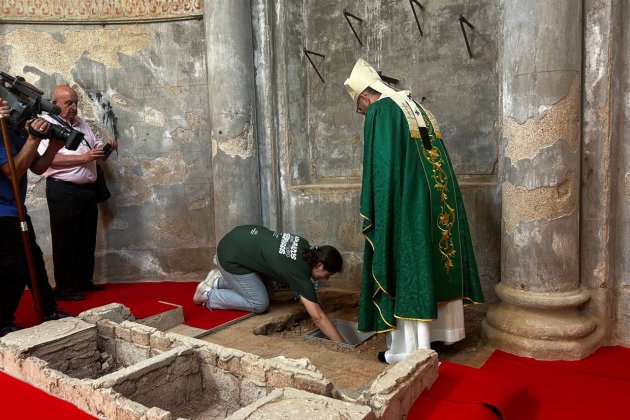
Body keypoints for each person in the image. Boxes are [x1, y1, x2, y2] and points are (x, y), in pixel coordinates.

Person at [344, 58, 484, 363]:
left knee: (407, 262)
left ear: (365, 97)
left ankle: (410, 349)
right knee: (434, 259)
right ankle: (442, 334)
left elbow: (381, 169)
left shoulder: (382, 110)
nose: (363, 112)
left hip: (407, 204)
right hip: (437, 201)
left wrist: (377, 210)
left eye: (360, 108)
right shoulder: (414, 105)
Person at [193, 224, 347, 343]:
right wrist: (341, 343)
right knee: (259, 303)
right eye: (328, 275)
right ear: (319, 266)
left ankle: (218, 281)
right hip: (230, 256)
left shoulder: (305, 247)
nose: (326, 279)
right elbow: (318, 317)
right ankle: (208, 294)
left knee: (268, 292)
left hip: (239, 239)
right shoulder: (299, 271)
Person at [37, 85, 118, 301]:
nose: (74, 107)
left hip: (87, 191)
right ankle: (65, 288)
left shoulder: (80, 123)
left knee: (86, 238)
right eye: (68, 103)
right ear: (54, 104)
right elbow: (47, 159)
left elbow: (93, 146)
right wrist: (84, 158)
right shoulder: (47, 126)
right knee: (65, 240)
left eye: (75, 102)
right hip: (63, 190)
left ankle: (84, 281)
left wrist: (105, 148)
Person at [0, 98, 70, 337]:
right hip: (2, 213)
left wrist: (53, 146)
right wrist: (33, 138)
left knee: (35, 263)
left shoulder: (13, 130)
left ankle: (48, 310)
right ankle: (2, 322)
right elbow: (13, 171)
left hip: (16, 210)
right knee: (15, 266)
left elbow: (36, 167)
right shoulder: (0, 132)